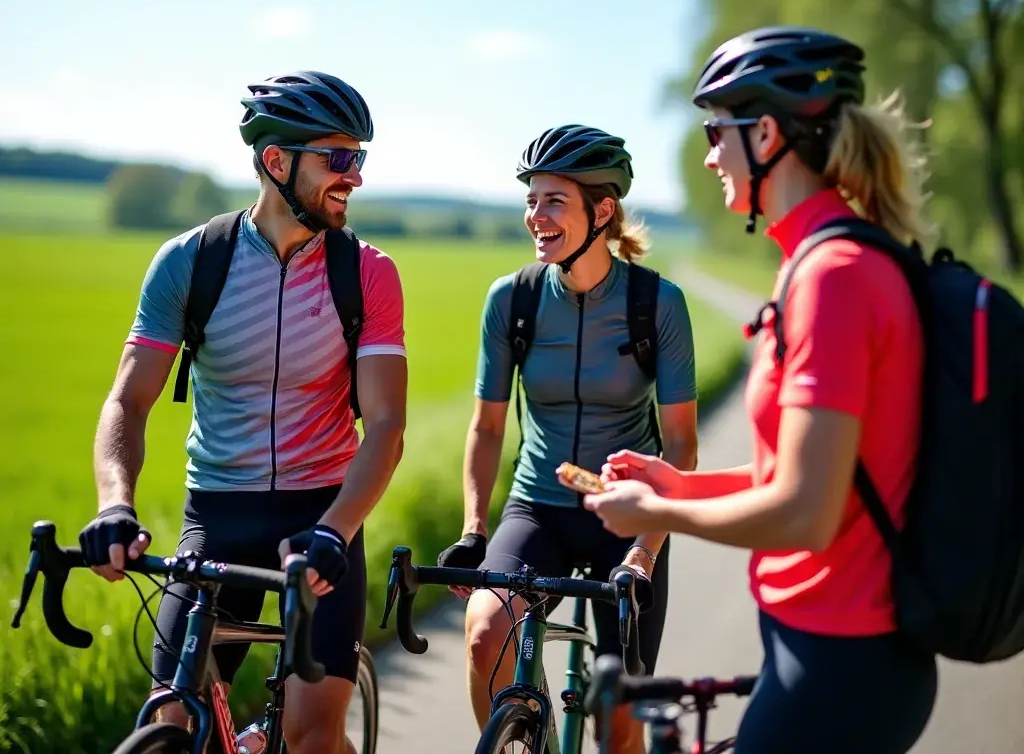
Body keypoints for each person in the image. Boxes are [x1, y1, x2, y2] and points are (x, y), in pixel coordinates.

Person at [583, 27, 939, 754]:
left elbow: (804, 515)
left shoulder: (831, 276)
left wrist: (656, 514)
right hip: (827, 650)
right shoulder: (820, 260)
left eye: (719, 131)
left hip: (844, 657)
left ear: (767, 133)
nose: (711, 154)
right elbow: (804, 479)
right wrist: (678, 487)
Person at [78, 72, 408, 754]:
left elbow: (385, 427)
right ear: (275, 162)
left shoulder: (367, 274)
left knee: (311, 737)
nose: (355, 177)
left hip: (321, 520)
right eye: (338, 159)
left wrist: (335, 531)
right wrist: (115, 503)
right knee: (168, 722)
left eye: (361, 159)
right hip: (219, 517)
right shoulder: (192, 263)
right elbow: (128, 400)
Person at [437, 124, 700, 754]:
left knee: (620, 722)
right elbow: (488, 425)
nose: (536, 216)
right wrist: (475, 529)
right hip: (540, 510)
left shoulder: (656, 304)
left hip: (628, 515)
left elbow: (682, 445)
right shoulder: (514, 300)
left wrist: (645, 549)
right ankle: (522, 740)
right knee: (484, 632)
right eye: (531, 200)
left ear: (602, 210)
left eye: (554, 200)